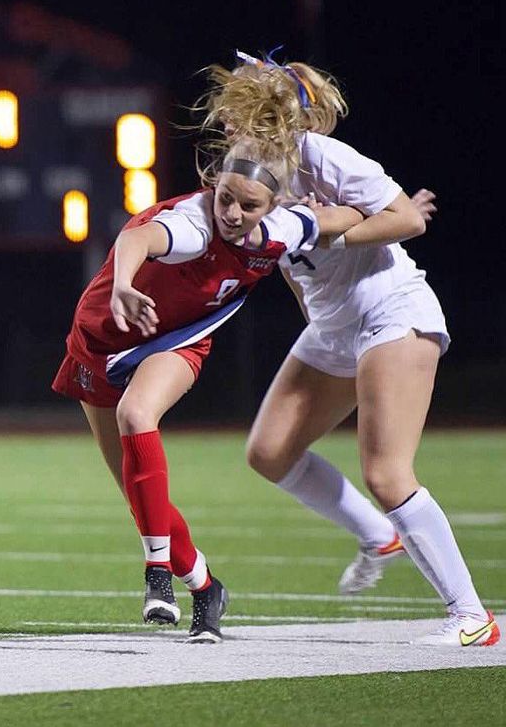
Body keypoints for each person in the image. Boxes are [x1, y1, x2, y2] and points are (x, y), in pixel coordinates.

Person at [201, 50, 497, 647]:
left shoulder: (322, 157)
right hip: (335, 326)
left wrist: (332, 227)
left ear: (269, 116)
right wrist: (312, 302)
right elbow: (283, 260)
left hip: (390, 312)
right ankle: (375, 534)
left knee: (388, 474)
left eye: (237, 113)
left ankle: (473, 619)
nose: (226, 124)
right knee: (269, 452)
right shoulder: (245, 173)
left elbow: (407, 221)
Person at [52, 138, 365, 643]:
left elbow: (343, 218)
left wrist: (396, 210)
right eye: (226, 198)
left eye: (249, 205)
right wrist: (122, 285)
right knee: (140, 497)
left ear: (274, 206)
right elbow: (136, 240)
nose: (234, 213)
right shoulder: (193, 226)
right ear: (212, 187)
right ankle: (203, 586)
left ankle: (156, 572)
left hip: (176, 342)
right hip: (101, 342)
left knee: (138, 414)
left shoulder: (284, 226)